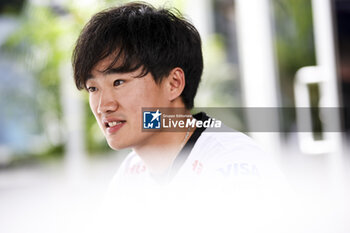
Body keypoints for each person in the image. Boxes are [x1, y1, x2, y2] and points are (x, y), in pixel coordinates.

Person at [72, 3, 295, 232]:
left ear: (174, 83)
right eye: (92, 88)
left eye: (119, 82)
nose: (103, 106)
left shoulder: (235, 165)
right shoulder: (130, 173)